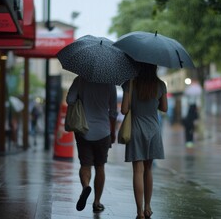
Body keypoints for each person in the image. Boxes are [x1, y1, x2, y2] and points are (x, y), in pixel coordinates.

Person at [120, 63, 168, 219]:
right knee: (149, 169)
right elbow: (165, 108)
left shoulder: (130, 83)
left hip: (136, 128)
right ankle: (148, 207)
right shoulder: (160, 85)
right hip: (153, 129)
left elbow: (124, 110)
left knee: (137, 171)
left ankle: (139, 212)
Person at [66, 76, 118, 213]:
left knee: (85, 165)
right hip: (103, 131)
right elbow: (113, 111)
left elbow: (70, 100)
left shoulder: (80, 79)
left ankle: (85, 187)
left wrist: (80, 96)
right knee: (100, 167)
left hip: (83, 129)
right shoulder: (110, 82)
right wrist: (113, 132)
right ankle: (97, 202)